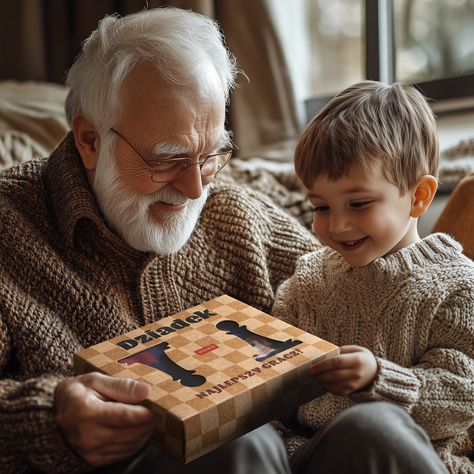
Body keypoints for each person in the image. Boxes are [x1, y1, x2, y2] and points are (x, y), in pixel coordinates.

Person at [0, 7, 320, 473]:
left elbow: (370, 296)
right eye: (167, 159)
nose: (195, 189)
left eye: (210, 155)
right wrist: (48, 418)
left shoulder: (236, 212)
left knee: (378, 430)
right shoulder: (9, 228)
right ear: (89, 139)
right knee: (239, 447)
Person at [272, 80, 474, 473]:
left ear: (419, 197)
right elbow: (275, 387)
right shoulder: (305, 283)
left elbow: (464, 397)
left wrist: (379, 379)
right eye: (321, 207)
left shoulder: (457, 287)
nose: (339, 225)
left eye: (359, 203)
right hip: (311, 457)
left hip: (409, 458)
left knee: (371, 426)